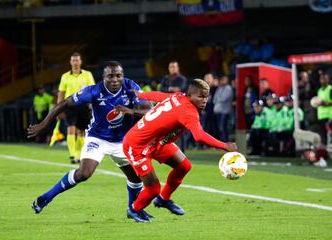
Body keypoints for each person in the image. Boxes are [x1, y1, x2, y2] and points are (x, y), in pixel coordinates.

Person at [27, 61, 153, 220]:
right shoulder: (94, 91)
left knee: (136, 178)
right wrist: (44, 124)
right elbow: (65, 102)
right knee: (84, 174)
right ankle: (47, 197)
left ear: (123, 76)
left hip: (123, 141)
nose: (115, 79)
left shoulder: (130, 86)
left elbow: (148, 109)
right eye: (110, 76)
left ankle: (133, 210)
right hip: (98, 138)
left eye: (118, 76)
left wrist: (130, 111)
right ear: (104, 77)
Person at [120, 79, 237, 223]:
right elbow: (199, 136)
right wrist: (225, 146)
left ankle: (163, 199)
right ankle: (134, 209)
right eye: (200, 96)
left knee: (184, 166)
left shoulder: (178, 96)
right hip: (137, 145)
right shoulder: (188, 111)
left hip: (158, 142)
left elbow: (160, 96)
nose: (205, 100)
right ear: (190, 95)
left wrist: (142, 94)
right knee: (153, 188)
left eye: (207, 97)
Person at [58, 52, 95, 163]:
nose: (75, 63)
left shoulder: (87, 75)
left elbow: (92, 90)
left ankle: (78, 155)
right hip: (70, 105)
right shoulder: (65, 76)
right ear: (70, 62)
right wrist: (59, 107)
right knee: (71, 130)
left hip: (83, 105)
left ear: (81, 62)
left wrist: (92, 104)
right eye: (73, 60)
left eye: (77, 60)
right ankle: (72, 154)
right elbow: (61, 93)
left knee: (81, 132)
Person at [160, 60, 189, 152]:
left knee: (180, 129)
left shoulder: (182, 79)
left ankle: (182, 150)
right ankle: (168, 149)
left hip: (179, 106)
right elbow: (161, 88)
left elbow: (181, 89)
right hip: (167, 106)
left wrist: (170, 89)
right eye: (171, 67)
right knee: (167, 128)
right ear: (169, 68)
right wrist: (171, 88)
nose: (173, 68)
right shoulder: (165, 78)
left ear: (178, 68)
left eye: (174, 67)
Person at [213, 75, 233, 142]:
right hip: (218, 111)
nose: (222, 81)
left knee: (223, 128)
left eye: (224, 80)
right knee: (219, 128)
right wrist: (218, 99)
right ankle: (222, 142)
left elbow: (223, 98)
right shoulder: (219, 88)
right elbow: (214, 99)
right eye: (222, 80)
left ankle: (226, 142)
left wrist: (218, 99)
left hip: (225, 111)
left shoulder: (228, 88)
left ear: (227, 81)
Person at [316, 73, 332, 145]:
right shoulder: (319, 90)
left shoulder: (330, 89)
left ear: (328, 80)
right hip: (321, 116)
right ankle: (325, 152)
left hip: (330, 116)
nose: (323, 81)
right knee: (322, 135)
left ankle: (330, 150)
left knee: (330, 134)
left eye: (325, 79)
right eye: (321, 79)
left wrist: (324, 103)